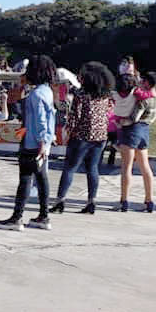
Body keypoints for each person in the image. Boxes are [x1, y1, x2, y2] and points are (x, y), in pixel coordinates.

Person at [0, 55, 57, 232]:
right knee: (41, 178)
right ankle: (44, 216)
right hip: (43, 142)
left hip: (32, 142)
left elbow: (39, 121)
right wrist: (46, 141)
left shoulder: (36, 94)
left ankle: (17, 217)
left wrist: (40, 142)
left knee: (25, 180)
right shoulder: (47, 91)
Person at [49, 62, 115, 215]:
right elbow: (109, 112)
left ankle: (60, 201)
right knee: (92, 169)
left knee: (70, 168)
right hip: (100, 137)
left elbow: (75, 117)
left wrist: (68, 133)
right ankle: (91, 202)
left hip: (81, 136)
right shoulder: (106, 95)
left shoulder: (81, 95)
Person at [117, 71, 156, 212]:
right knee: (145, 167)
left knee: (127, 167)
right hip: (145, 130)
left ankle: (124, 201)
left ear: (148, 83)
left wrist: (119, 123)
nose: (141, 83)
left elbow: (133, 118)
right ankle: (149, 200)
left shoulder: (143, 100)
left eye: (143, 81)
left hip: (133, 131)